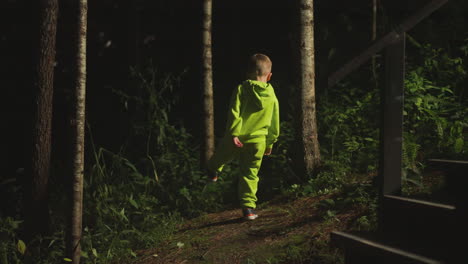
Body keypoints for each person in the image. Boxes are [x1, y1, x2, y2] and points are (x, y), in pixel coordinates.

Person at [207, 53, 280, 220]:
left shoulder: (241, 89)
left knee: (223, 154)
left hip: (237, 137)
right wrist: (270, 142)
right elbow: (274, 121)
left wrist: (233, 133)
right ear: (269, 76)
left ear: (248, 73)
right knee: (250, 173)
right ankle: (248, 208)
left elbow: (234, 113)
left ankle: (213, 169)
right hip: (258, 141)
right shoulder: (271, 95)